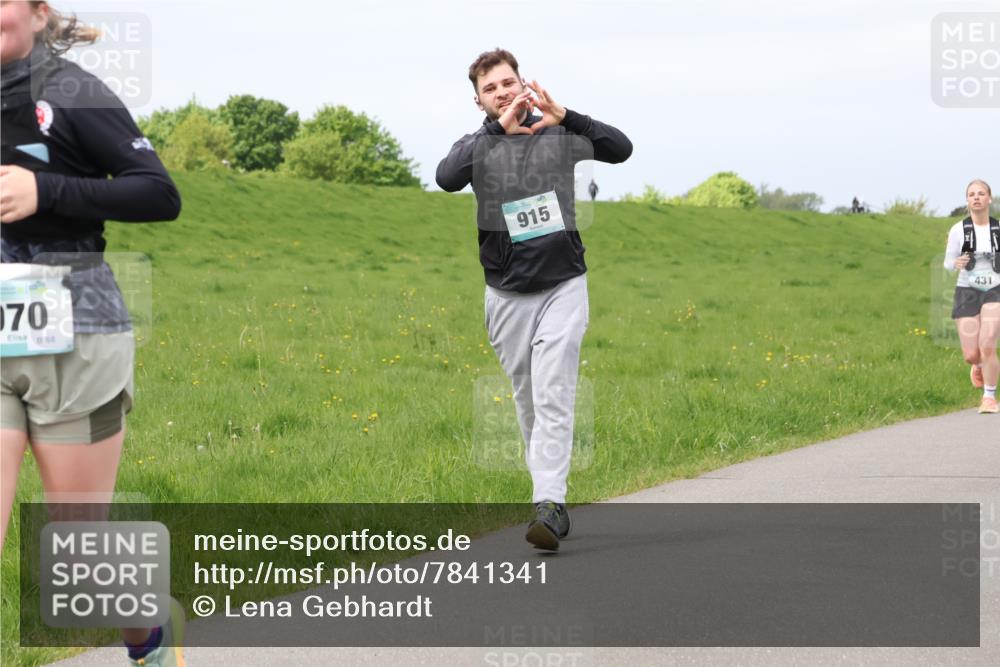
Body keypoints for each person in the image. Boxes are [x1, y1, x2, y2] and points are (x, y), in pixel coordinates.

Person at [0, 2, 184, 664]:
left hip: (77, 334)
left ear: (35, 11)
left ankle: (152, 632)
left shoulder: (71, 90)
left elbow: (158, 193)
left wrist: (47, 192)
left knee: (79, 556)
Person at [436, 48, 632, 550]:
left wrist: (568, 115)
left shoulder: (560, 133)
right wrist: (495, 131)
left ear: (523, 83)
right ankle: (544, 496)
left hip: (563, 283)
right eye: (490, 88)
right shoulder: (479, 144)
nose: (501, 92)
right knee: (528, 403)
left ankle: (551, 506)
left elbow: (620, 148)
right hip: (506, 295)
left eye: (507, 82)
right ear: (479, 100)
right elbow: (446, 177)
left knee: (553, 393)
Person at [943, 179, 999, 414]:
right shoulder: (959, 229)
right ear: (967, 201)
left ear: (989, 199)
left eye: (981, 193)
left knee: (987, 344)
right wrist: (956, 263)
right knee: (971, 354)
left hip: (995, 289)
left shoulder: (998, 229)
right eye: (971, 194)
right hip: (966, 290)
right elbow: (948, 263)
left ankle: (989, 397)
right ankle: (977, 366)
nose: (976, 197)